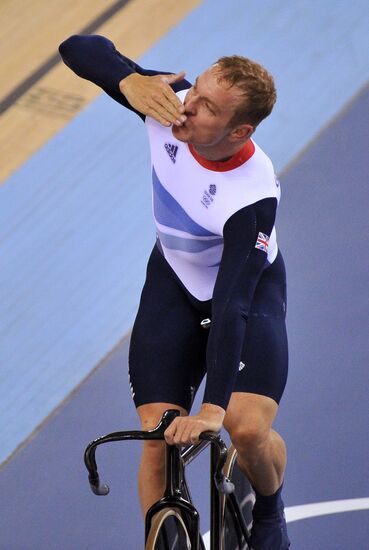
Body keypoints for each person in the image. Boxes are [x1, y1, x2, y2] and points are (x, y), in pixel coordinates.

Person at [59, 34, 290, 549]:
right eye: (195, 89)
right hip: (174, 284)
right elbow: (79, 46)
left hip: (243, 297)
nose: (189, 107)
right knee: (158, 438)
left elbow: (231, 306)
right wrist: (126, 79)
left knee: (246, 429)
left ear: (239, 131)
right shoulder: (169, 104)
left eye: (207, 107)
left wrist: (212, 409)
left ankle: (270, 511)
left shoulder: (251, 195)